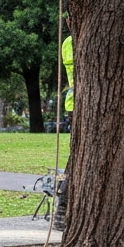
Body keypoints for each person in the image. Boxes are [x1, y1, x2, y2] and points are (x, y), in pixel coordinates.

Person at [52, 29, 74, 231]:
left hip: (75, 106)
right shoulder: (72, 42)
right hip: (77, 106)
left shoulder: (70, 40)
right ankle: (62, 210)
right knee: (78, 159)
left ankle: (64, 209)